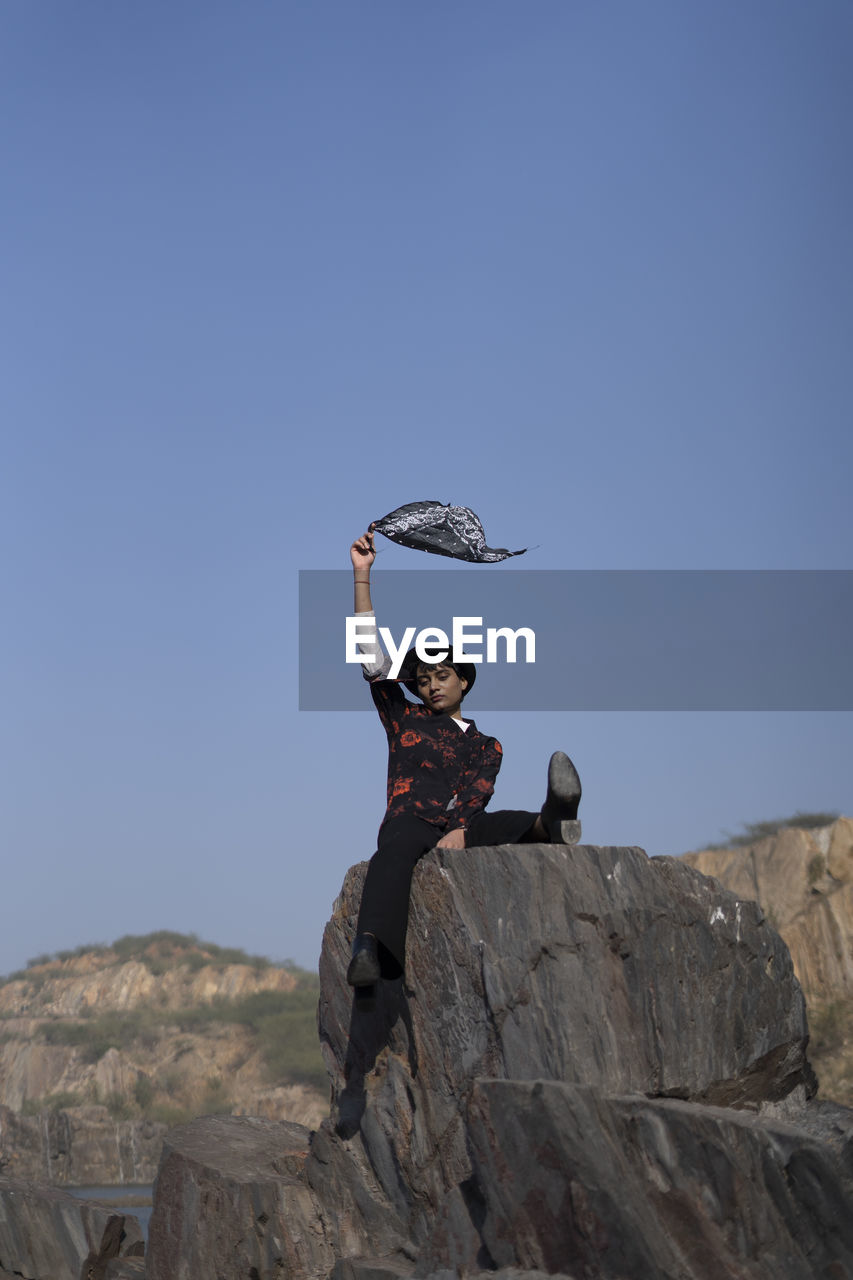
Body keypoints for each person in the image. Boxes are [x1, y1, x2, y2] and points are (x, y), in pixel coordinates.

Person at [347, 526, 582, 988]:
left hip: (459, 822)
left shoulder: (485, 744)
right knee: (392, 854)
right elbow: (372, 660)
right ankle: (368, 949)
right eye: (423, 679)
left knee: (504, 822)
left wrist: (458, 828)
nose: (431, 685)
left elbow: (479, 789)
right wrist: (361, 576)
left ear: (464, 682)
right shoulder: (404, 719)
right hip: (411, 820)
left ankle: (554, 818)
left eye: (442, 675)